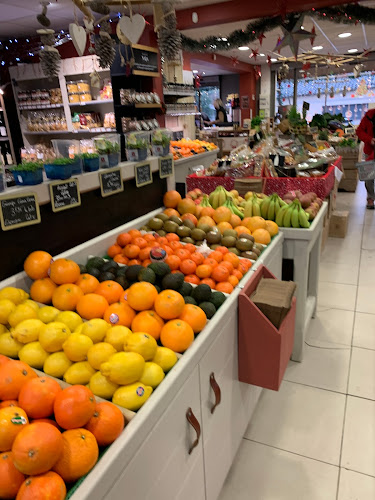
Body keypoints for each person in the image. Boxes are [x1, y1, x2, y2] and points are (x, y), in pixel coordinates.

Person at [356, 108, 375, 209]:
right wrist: (370, 140)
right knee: (369, 176)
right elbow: (359, 131)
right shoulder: (369, 116)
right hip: (370, 151)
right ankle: (370, 199)